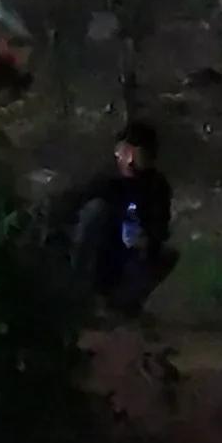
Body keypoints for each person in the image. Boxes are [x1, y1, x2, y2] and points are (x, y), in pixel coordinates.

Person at [61, 120, 175, 318]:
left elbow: (160, 227)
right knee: (94, 212)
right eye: (126, 151)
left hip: (130, 252)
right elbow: (73, 209)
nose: (130, 159)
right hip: (100, 253)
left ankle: (122, 304)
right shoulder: (104, 179)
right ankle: (81, 297)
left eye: (139, 152)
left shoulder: (157, 186)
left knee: (167, 256)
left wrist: (147, 237)